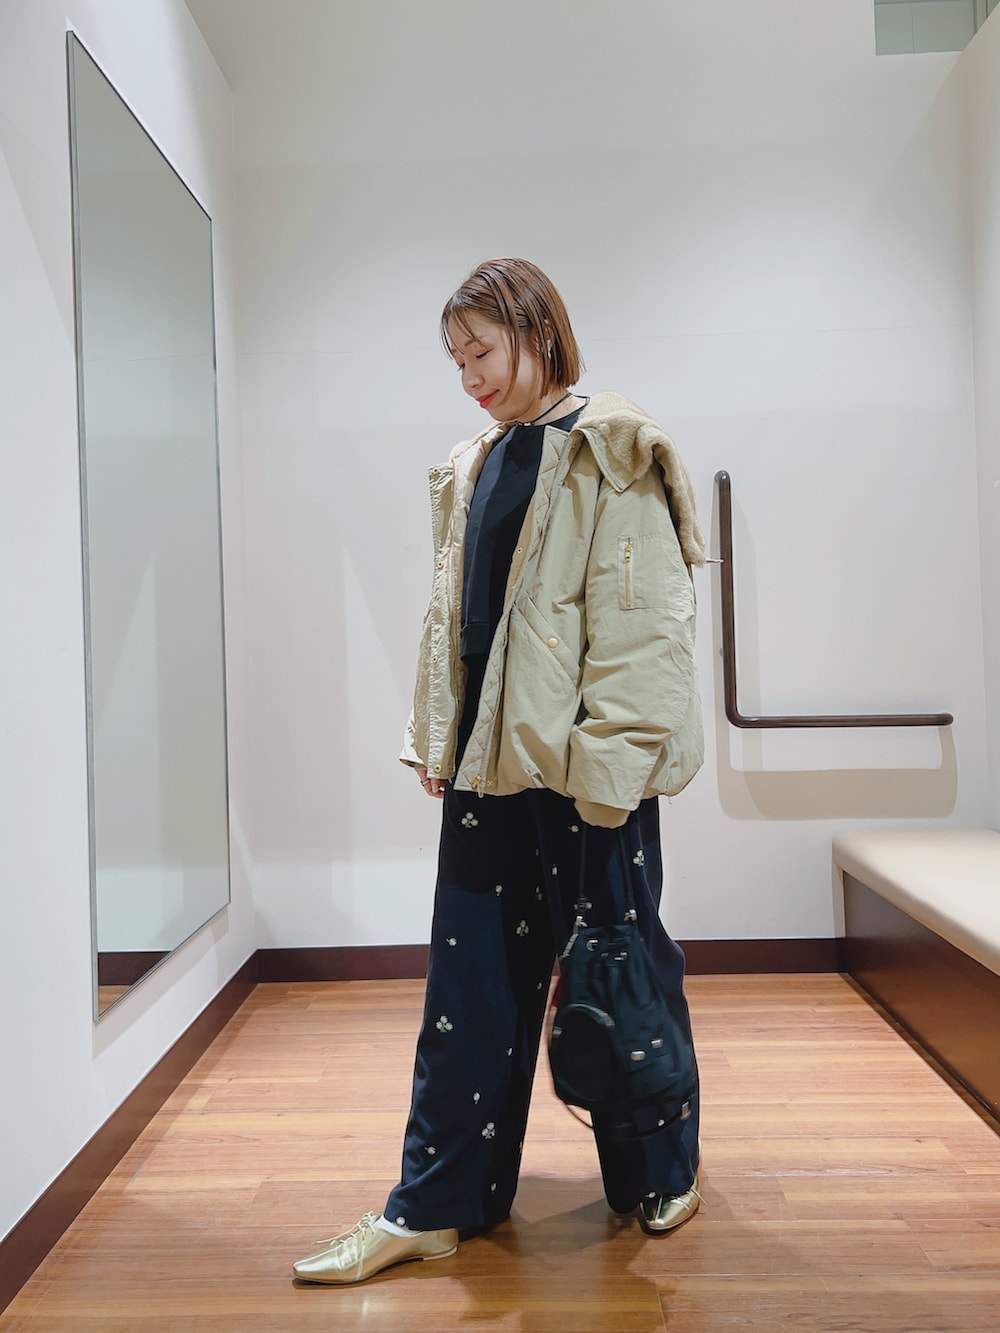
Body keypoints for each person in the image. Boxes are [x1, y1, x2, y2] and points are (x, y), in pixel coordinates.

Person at [293, 257, 705, 1286]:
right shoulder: (478, 459)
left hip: (587, 780)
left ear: (538, 332)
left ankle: (661, 1172)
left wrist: (608, 782)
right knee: (467, 989)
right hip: (491, 772)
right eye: (456, 360)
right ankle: (436, 1203)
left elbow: (643, 632)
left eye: (481, 351)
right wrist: (446, 741)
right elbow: (459, 622)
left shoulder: (612, 449)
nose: (469, 376)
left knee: (616, 974)